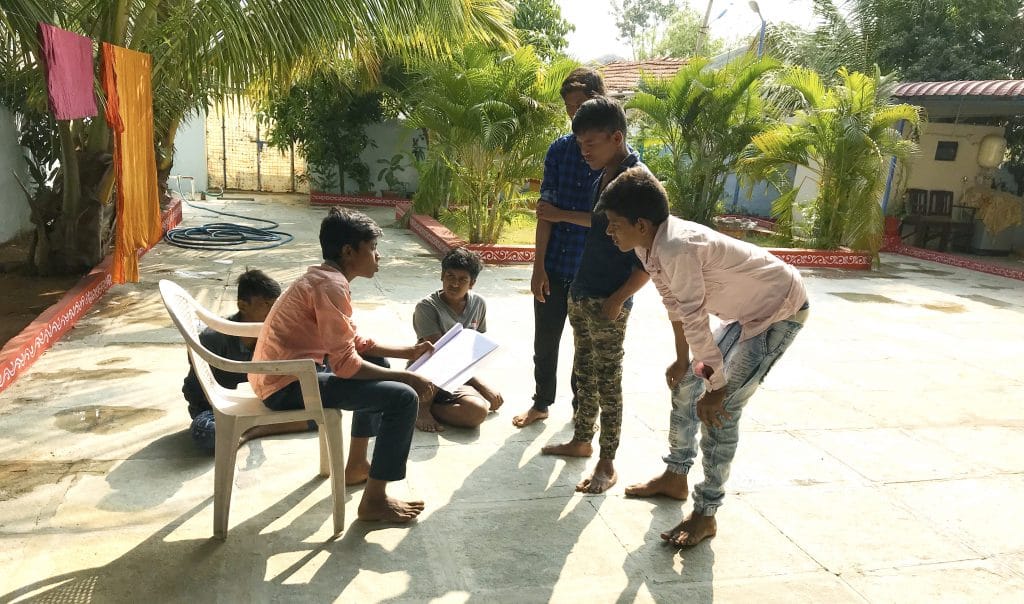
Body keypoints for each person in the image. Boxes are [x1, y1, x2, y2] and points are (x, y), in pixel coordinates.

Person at [600, 167, 810, 547]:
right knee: (686, 388)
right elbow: (675, 307)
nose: (608, 231)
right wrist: (683, 361)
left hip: (780, 311)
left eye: (614, 224)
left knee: (720, 408)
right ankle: (675, 477)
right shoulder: (647, 246)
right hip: (745, 316)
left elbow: (696, 319)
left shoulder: (678, 246)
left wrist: (716, 385)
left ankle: (706, 513)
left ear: (642, 223)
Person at [251, 207, 436, 523]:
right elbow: (346, 365)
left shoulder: (325, 278)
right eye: (373, 249)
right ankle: (374, 500)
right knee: (403, 398)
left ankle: (356, 466)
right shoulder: (331, 286)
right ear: (349, 251)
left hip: (290, 373)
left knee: (377, 362)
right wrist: (407, 378)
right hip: (286, 385)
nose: (378, 257)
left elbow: (352, 342)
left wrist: (409, 352)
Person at [539, 97, 651, 494]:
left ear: (616, 137)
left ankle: (607, 461)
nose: (583, 151)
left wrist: (619, 299)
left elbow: (649, 258)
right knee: (584, 372)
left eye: (591, 144)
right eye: (580, 143)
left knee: (608, 379)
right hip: (583, 288)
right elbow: (598, 229)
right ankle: (582, 438)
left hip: (610, 297)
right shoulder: (600, 173)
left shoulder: (637, 182)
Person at [512, 68, 606, 429]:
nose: (573, 114)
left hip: (593, 272)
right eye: (568, 106)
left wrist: (563, 214)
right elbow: (544, 213)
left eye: (580, 105)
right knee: (546, 341)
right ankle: (541, 402)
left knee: (587, 349)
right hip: (555, 263)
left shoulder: (617, 156)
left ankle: (583, 410)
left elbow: (606, 221)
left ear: (600, 101)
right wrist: (538, 268)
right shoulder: (560, 151)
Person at [181, 269, 310, 452]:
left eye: (277, 306)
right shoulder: (213, 338)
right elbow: (194, 389)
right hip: (222, 409)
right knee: (207, 435)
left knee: (320, 412)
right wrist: (219, 409)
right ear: (243, 306)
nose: (274, 312)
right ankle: (250, 427)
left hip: (265, 404)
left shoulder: (278, 332)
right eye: (266, 305)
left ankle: (253, 430)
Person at [411, 247, 503, 432]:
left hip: (458, 376)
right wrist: (483, 386)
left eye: (463, 279)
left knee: (478, 412)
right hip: (427, 374)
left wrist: (475, 383)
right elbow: (441, 355)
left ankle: (419, 407)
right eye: (450, 277)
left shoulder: (478, 304)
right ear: (442, 276)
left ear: (472, 283)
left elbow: (475, 352)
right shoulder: (426, 307)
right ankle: (422, 407)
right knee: (443, 356)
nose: (454, 284)